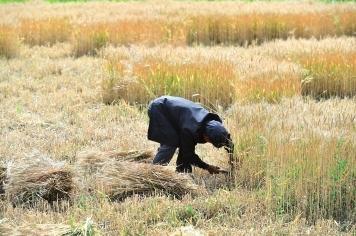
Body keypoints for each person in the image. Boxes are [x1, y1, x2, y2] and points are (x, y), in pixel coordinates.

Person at [147, 95, 234, 174]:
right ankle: (154, 173)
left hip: (173, 110)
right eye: (210, 142)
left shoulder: (214, 125)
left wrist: (232, 159)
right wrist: (207, 167)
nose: (209, 143)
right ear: (206, 136)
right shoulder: (189, 130)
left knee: (183, 144)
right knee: (170, 143)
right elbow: (188, 154)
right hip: (159, 109)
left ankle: (183, 172)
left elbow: (228, 141)